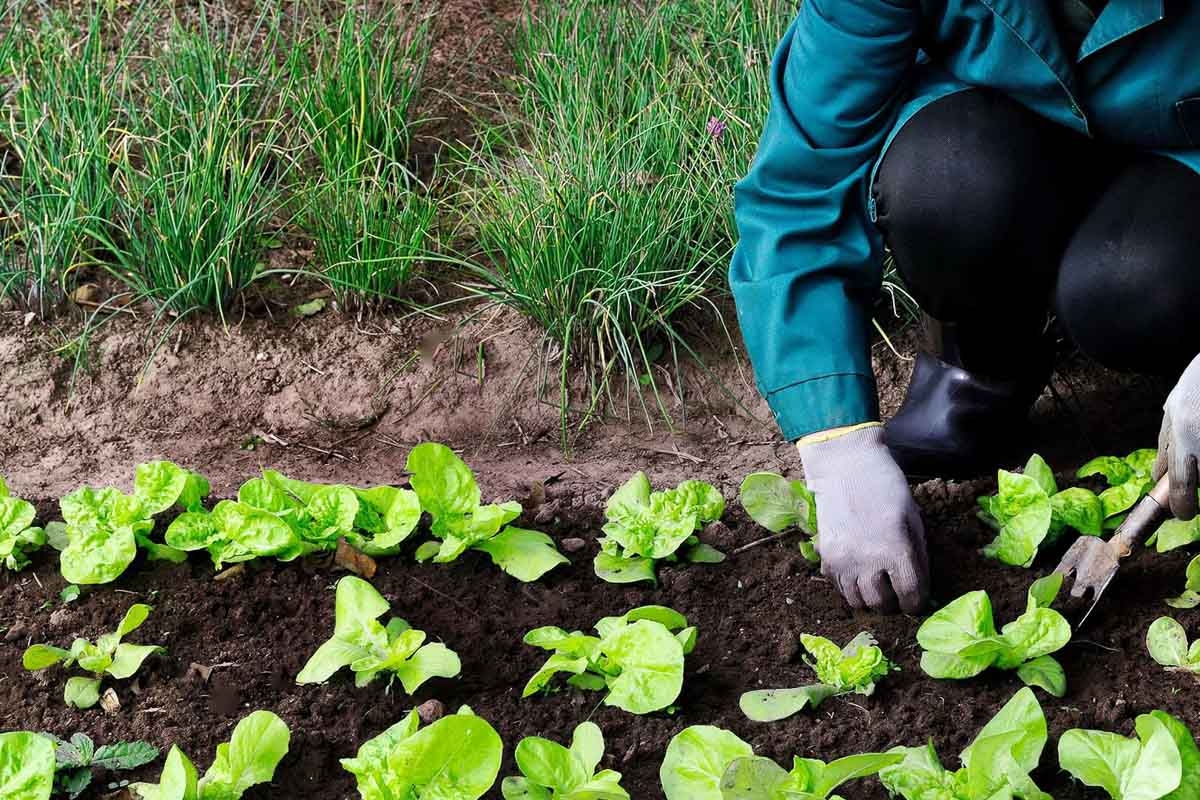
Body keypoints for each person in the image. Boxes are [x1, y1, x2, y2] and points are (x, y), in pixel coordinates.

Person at [730, 1, 1200, 614]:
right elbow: (803, 182)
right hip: (1009, 135)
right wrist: (834, 442)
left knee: (1129, 289)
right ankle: (981, 369)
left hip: (1184, 164)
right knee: (944, 186)